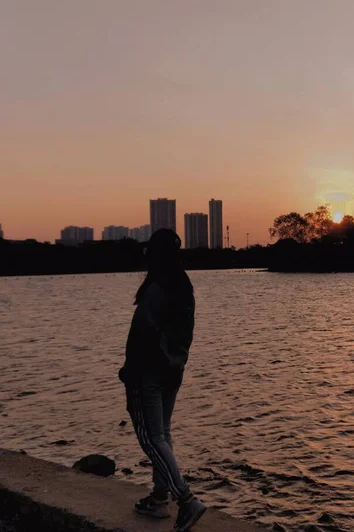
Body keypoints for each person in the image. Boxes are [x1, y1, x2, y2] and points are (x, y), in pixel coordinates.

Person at [119, 228, 206, 531]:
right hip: (173, 370)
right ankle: (159, 499)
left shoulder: (157, 288)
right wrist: (175, 362)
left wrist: (129, 372)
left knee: (151, 438)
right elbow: (183, 336)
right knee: (162, 435)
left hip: (150, 373)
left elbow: (143, 334)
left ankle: (185, 499)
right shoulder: (183, 286)